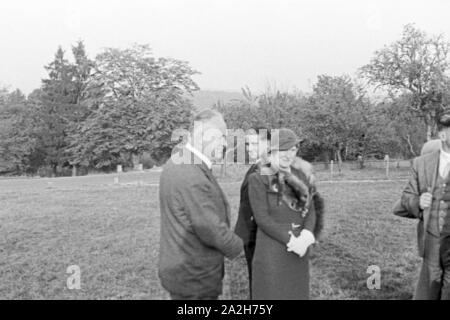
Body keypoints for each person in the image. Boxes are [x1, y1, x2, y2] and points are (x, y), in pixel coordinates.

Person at [158, 109, 243, 300]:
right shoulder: (190, 173)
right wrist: (244, 251)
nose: (224, 143)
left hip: (184, 270)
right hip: (195, 277)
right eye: (221, 136)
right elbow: (211, 229)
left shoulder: (180, 162)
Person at [247, 128, 324, 300]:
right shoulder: (259, 178)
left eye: (293, 149)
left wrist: (306, 235)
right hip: (272, 251)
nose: (289, 155)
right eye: (283, 149)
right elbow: (262, 219)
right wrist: (291, 241)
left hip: (299, 251)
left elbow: (311, 208)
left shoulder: (301, 175)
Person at [395, 112, 450, 300]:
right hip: (432, 239)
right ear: (442, 135)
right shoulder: (422, 163)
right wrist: (417, 202)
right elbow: (406, 197)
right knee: (430, 287)